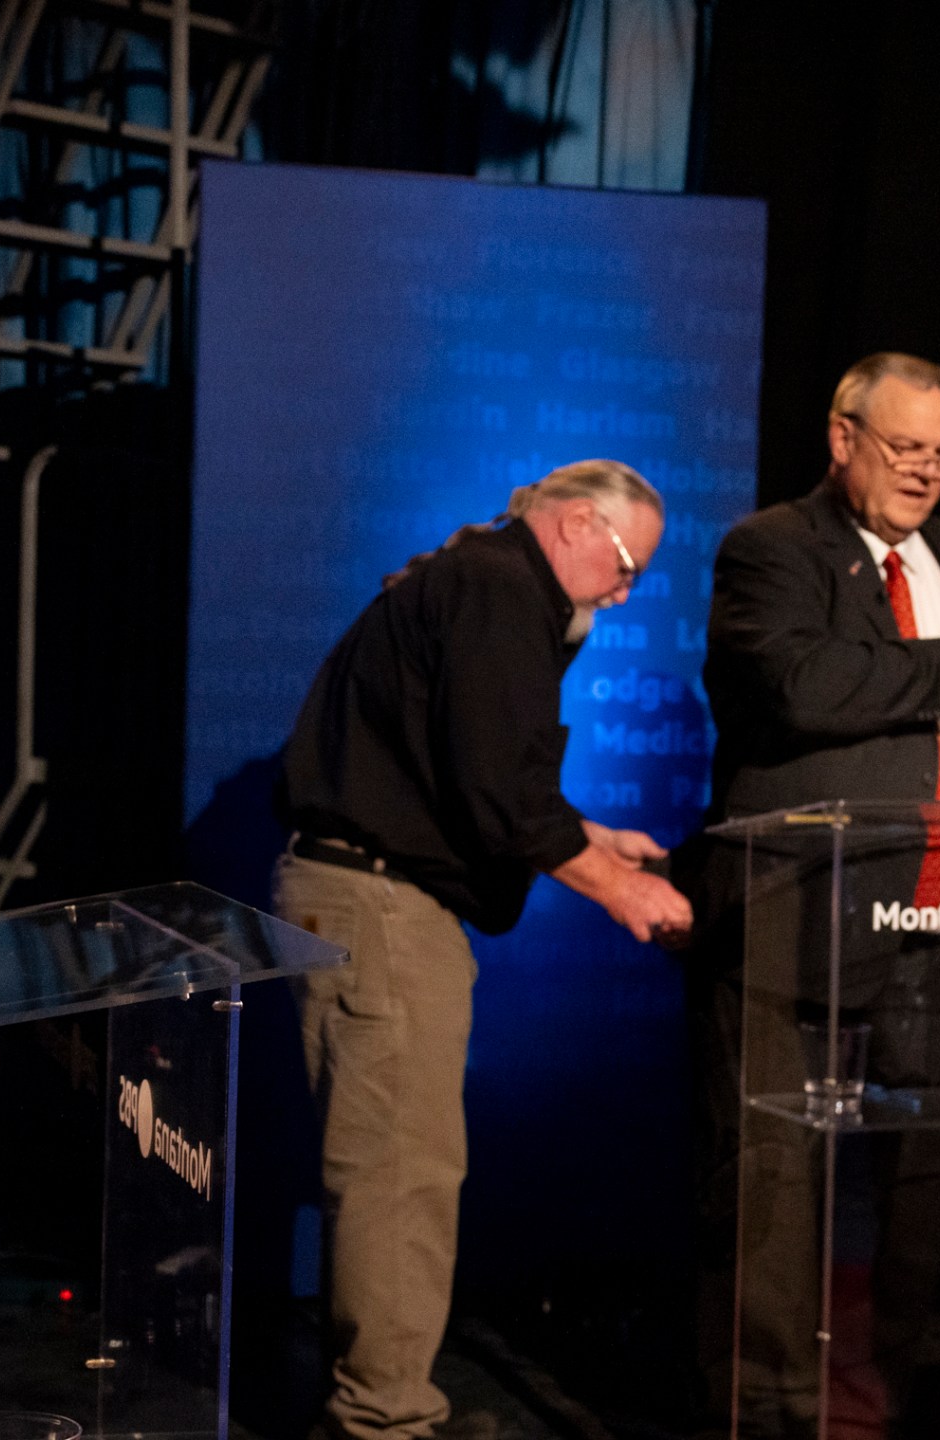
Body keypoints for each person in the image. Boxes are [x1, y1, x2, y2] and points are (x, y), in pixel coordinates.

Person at [692, 351, 940, 1436]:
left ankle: (903, 1389)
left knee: (938, 1174)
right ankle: (772, 1404)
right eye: (904, 448)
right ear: (841, 438)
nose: (925, 472)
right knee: (775, 1178)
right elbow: (798, 683)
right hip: (805, 915)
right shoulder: (771, 550)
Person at [273, 460, 695, 1440]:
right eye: (627, 565)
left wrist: (588, 837)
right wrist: (619, 887)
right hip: (377, 907)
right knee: (399, 1174)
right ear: (576, 523)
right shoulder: (501, 587)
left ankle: (382, 1402)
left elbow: (463, 767)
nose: (626, 593)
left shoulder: (477, 580)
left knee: (399, 1168)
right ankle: (385, 1420)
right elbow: (495, 791)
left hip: (378, 901)